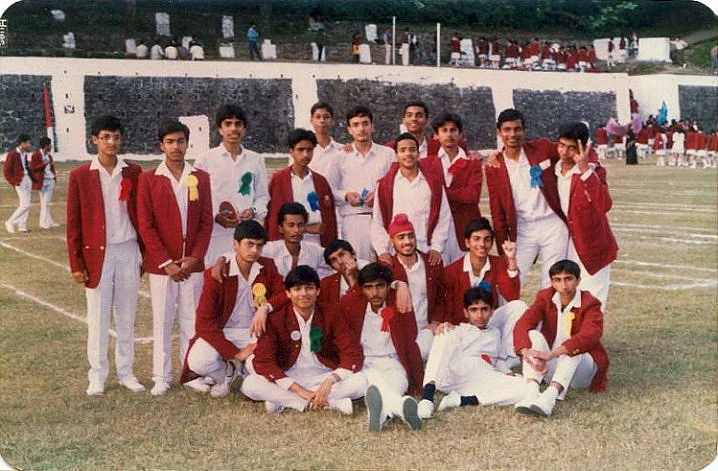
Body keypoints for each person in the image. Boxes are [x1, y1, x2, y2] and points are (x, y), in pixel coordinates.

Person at [66, 115, 144, 395]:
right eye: (106, 137)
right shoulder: (80, 175)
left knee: (126, 316)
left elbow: (142, 214)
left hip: (128, 249)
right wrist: (76, 263)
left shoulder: (133, 172)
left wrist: (144, 254)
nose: (112, 142)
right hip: (98, 255)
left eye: (116, 137)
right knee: (98, 318)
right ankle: (97, 375)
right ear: (95, 140)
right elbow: (73, 223)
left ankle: (126, 372)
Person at [136, 120, 213, 396]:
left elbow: (205, 221)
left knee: (192, 320)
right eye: (170, 142)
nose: (176, 147)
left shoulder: (200, 177)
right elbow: (146, 225)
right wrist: (166, 263)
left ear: (187, 143)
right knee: (163, 321)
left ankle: (190, 373)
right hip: (163, 268)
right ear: (161, 146)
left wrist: (195, 257)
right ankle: (161, 375)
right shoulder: (148, 179)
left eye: (180, 141)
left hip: (191, 265)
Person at [179, 220, 286, 398]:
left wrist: (266, 307)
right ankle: (226, 374)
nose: (254, 250)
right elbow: (204, 324)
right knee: (198, 361)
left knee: (259, 367)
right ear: (235, 244)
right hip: (224, 331)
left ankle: (246, 373)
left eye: (259, 246)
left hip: (255, 332)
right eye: (249, 244)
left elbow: (284, 295)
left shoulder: (267, 267)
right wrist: (235, 353)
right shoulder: (217, 273)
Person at [241, 265, 364, 414]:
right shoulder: (275, 319)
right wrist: (299, 390)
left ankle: (284, 401)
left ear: (318, 291)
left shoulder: (331, 314)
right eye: (297, 289)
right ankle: (328, 403)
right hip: (288, 376)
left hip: (323, 374)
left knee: (360, 381)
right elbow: (264, 361)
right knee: (250, 384)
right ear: (288, 293)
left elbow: (351, 352)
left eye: (309, 288)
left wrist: (330, 381)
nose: (304, 293)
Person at [513, 260, 609, 417]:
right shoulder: (545, 297)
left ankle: (550, 397)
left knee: (575, 346)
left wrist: (551, 354)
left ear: (578, 280)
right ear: (552, 282)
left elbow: (591, 335)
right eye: (557, 280)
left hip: (580, 372)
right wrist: (525, 352)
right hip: (553, 365)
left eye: (568, 279)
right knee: (533, 335)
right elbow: (523, 324)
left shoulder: (590, 303)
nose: (563, 286)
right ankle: (531, 392)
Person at [416, 287, 531, 418]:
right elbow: (446, 349)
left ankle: (461, 400)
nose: (479, 315)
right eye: (474, 310)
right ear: (466, 312)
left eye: (484, 309)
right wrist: (446, 328)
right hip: (453, 375)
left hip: (479, 377)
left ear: (492, 312)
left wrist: (507, 373)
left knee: (527, 387)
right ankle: (427, 398)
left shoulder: (495, 333)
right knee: (444, 334)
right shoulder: (460, 330)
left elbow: (497, 360)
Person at [485, 108, 567, 289]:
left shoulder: (542, 148)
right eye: (507, 130)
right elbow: (497, 211)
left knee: (552, 283)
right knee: (510, 282)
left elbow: (570, 147)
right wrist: (503, 249)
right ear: (499, 132)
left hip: (552, 225)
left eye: (517, 129)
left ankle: (550, 309)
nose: (512, 134)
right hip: (522, 229)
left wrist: (592, 163)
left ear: (524, 131)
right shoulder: (494, 166)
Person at [340, 263, 424, 431]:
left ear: (388, 286)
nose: (374, 293)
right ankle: (400, 408)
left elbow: (410, 339)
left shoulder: (398, 302)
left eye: (380, 286)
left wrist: (417, 378)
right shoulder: (352, 304)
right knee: (374, 378)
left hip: (393, 362)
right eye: (368, 287)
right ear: (361, 289)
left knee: (394, 384)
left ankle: (379, 416)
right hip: (365, 364)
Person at [550, 122, 617, 310]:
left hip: (593, 245)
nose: (564, 152)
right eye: (561, 145)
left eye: (571, 148)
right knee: (568, 299)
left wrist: (585, 170)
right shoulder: (553, 169)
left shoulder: (593, 171)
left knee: (593, 300)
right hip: (567, 244)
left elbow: (604, 204)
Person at [443, 218, 524, 371]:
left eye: (487, 239)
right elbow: (447, 306)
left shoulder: (498, 263)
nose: (482, 244)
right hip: (464, 328)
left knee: (518, 306)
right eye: (477, 239)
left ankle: (503, 359)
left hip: (488, 321)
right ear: (467, 242)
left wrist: (512, 261)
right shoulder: (451, 271)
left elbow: (512, 296)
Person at [193, 104, 269, 267]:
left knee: (245, 280)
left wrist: (253, 211)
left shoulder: (256, 160)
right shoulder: (205, 160)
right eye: (228, 124)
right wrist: (216, 216)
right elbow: (198, 199)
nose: (233, 129)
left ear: (244, 128)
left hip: (247, 236)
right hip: (215, 235)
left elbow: (262, 196)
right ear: (220, 129)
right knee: (216, 277)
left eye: (238, 124)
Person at [371, 132, 454, 266]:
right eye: (403, 150)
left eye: (412, 149)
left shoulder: (433, 183)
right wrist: (382, 250)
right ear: (396, 155)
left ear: (418, 153)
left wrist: (436, 247)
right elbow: (377, 221)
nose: (408, 154)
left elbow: (444, 217)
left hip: (427, 251)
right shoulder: (385, 185)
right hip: (395, 253)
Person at [326, 106, 394, 261]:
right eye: (356, 125)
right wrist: (345, 195)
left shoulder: (388, 154)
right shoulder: (340, 157)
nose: (361, 129)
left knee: (387, 265)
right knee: (360, 266)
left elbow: (396, 185)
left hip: (383, 219)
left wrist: (379, 195)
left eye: (365, 123)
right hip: (354, 220)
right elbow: (329, 189)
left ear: (372, 126)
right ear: (349, 130)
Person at [379, 214, 448, 360]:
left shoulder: (431, 262)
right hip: (400, 331)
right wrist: (398, 284)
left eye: (411, 236)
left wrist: (435, 322)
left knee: (422, 353)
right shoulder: (386, 266)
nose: (407, 242)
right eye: (401, 237)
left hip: (426, 328)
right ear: (392, 241)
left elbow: (441, 298)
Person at [267, 129, 337, 247]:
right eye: (300, 150)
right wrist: (306, 229)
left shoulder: (321, 181)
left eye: (309, 150)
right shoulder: (279, 180)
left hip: (317, 242)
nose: (305, 154)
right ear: (291, 151)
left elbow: (330, 218)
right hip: (286, 244)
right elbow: (271, 215)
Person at [423, 112, 482, 252]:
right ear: (436, 135)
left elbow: (472, 196)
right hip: (437, 229)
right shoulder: (426, 164)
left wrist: (440, 192)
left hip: (465, 226)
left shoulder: (473, 163)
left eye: (453, 130)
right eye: (444, 130)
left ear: (460, 134)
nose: (449, 135)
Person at [259, 202, 332, 279]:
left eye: (300, 225)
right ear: (281, 228)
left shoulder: (316, 251)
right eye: (291, 225)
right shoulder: (268, 250)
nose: (296, 230)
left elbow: (329, 274)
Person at [3, 134, 33, 233]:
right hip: (19, 181)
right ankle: (10, 222)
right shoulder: (12, 154)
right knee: (25, 204)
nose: (29, 145)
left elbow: (25, 167)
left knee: (26, 204)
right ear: (22, 143)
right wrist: (14, 182)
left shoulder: (25, 154)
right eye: (28, 143)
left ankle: (22, 226)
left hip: (27, 179)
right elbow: (6, 171)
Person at [29, 136, 59, 229]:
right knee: (45, 202)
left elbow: (51, 168)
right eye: (50, 145)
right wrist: (44, 164)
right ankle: (43, 223)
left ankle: (49, 221)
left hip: (50, 180)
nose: (51, 146)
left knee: (46, 202)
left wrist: (54, 177)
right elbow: (33, 168)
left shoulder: (49, 156)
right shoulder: (36, 155)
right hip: (42, 181)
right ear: (46, 145)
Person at [308, 102, 343, 179]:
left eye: (326, 117)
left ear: (332, 121)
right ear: (311, 120)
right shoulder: (304, 150)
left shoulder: (342, 150)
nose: (322, 121)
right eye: (318, 117)